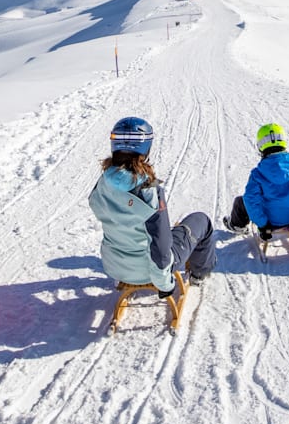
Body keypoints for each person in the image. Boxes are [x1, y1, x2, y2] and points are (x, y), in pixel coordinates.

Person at [89, 117, 216, 295]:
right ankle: (199, 274)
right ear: (145, 148)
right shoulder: (149, 191)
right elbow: (161, 246)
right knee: (202, 221)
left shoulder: (103, 184)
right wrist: (165, 284)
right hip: (149, 271)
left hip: (115, 266)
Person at [222, 123, 289, 240]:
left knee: (241, 201)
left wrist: (263, 225)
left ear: (260, 145)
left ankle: (237, 225)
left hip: (269, 223)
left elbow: (251, 199)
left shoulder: (257, 173)